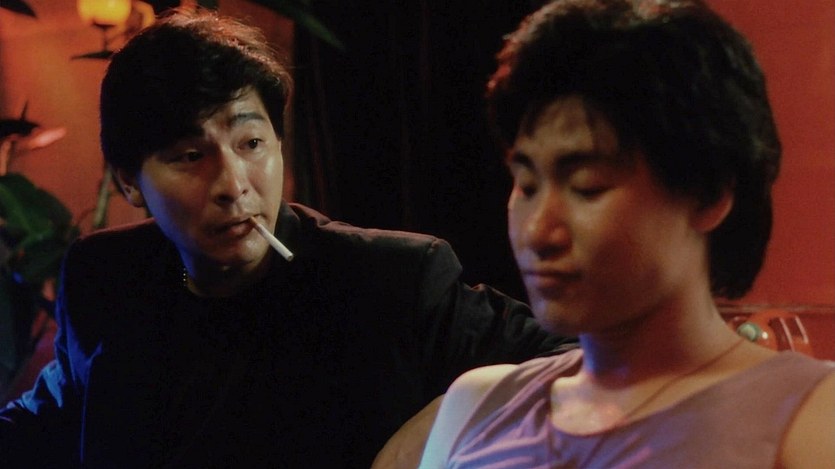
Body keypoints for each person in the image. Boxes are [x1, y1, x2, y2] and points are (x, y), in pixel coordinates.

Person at [0, 8, 576, 468]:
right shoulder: (107, 277)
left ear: (278, 143)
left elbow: (573, 363)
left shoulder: (389, 280)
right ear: (130, 182)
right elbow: (52, 415)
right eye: (190, 156)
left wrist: (442, 420)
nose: (233, 185)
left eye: (251, 144)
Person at [419, 0, 835, 467]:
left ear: (708, 195)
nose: (538, 231)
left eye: (587, 187)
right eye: (527, 185)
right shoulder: (477, 407)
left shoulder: (813, 418)